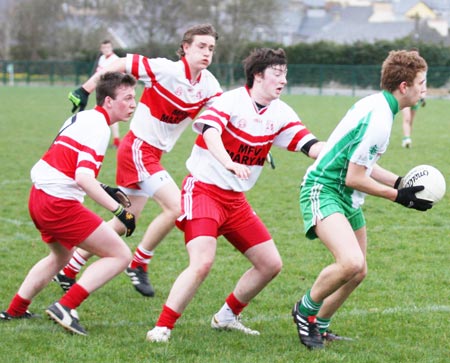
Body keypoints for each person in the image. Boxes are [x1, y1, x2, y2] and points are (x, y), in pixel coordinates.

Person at [146, 48, 324, 343]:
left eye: (285, 74)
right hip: (203, 191)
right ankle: (162, 327)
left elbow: (310, 146)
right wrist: (228, 162)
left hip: (236, 201)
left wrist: (338, 150)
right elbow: (209, 132)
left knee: (270, 264)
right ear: (258, 75)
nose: (283, 80)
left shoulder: (281, 112)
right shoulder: (231, 100)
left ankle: (226, 317)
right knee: (202, 262)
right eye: (277, 74)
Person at [60, 24, 222, 297]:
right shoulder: (165, 70)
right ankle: (139, 263)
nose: (207, 53)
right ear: (185, 47)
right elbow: (119, 62)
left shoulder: (209, 85)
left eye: (211, 48)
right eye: (201, 46)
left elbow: (220, 119)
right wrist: (87, 88)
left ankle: (69, 268)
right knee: (177, 207)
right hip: (137, 148)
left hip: (151, 154)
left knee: (125, 220)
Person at [291, 50, 432, 350]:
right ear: (404, 86)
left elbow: (361, 165)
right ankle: (304, 311)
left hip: (346, 195)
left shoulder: (379, 106)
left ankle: (322, 325)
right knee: (350, 262)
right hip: (324, 188)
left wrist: (399, 182)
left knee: (359, 271)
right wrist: (399, 197)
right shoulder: (379, 118)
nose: (425, 89)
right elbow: (353, 176)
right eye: (421, 82)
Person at [0, 72, 137, 336]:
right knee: (120, 255)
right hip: (57, 204)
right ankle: (66, 306)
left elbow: (66, 161)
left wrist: (104, 188)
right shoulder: (99, 128)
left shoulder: (85, 117)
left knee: (61, 256)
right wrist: (119, 212)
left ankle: (16, 309)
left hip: (38, 197)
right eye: (128, 98)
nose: (133, 104)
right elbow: (83, 177)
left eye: (134, 98)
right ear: (108, 101)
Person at [96, 40, 121, 148]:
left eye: (108, 47)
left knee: (102, 114)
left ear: (111, 48)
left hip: (112, 89)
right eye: (104, 48)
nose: (106, 49)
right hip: (103, 90)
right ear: (101, 49)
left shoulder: (115, 59)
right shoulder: (102, 59)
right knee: (104, 114)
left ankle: (104, 140)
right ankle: (115, 141)